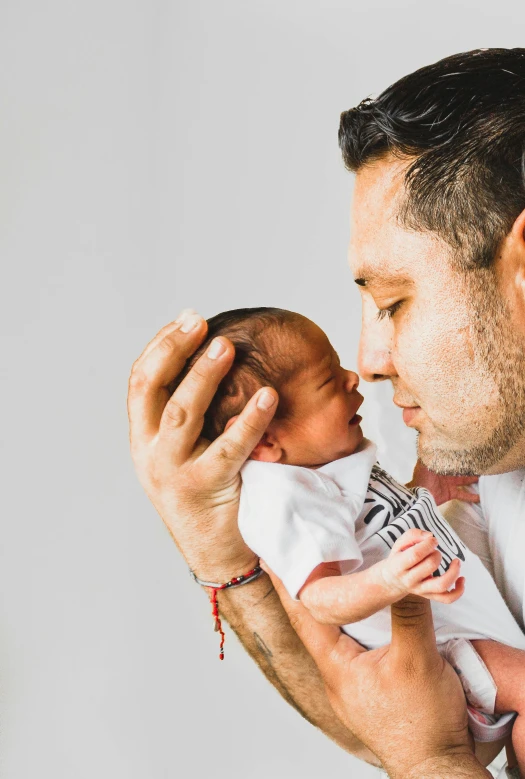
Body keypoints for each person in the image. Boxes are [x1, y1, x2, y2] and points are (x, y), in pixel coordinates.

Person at [127, 48, 525, 778]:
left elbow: (428, 742)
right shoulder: (468, 466)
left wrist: (433, 764)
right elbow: (395, 704)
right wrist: (222, 554)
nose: (366, 359)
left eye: (392, 300)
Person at [174, 305, 525, 761]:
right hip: (445, 656)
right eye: (328, 382)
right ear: (263, 439)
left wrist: (425, 489)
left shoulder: (324, 465)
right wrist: (392, 584)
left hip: (461, 634)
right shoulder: (285, 498)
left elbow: (382, 529)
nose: (353, 378)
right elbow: (320, 599)